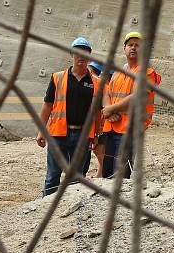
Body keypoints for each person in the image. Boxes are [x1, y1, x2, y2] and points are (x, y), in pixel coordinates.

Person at [36, 37, 103, 197]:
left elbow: (97, 112)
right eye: (78, 52)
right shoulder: (57, 78)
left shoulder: (96, 83)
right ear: (72, 54)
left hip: (83, 136)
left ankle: (71, 209)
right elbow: (47, 106)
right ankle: (46, 207)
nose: (81, 56)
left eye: (85, 53)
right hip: (57, 134)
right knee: (53, 175)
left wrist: (96, 135)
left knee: (76, 178)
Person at [101, 31, 161, 179]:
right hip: (112, 127)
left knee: (121, 175)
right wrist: (108, 111)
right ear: (124, 49)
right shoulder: (117, 73)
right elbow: (107, 93)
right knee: (107, 172)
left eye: (137, 45)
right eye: (130, 45)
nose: (133, 48)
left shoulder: (147, 73)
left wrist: (110, 109)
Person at [88, 61, 106, 178]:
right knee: (98, 150)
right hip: (99, 124)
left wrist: (97, 131)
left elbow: (98, 110)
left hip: (100, 124)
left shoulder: (97, 84)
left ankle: (100, 173)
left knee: (99, 150)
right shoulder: (101, 85)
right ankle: (100, 173)